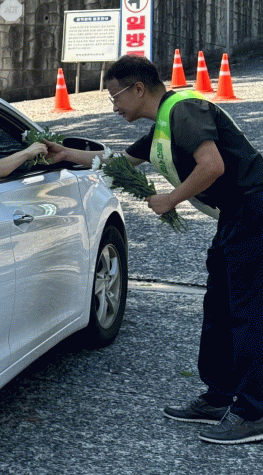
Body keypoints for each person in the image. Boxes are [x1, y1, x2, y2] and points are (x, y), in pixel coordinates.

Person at [45, 54, 263, 445]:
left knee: (246, 311)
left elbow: (211, 165)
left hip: (254, 210)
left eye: (115, 97)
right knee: (219, 304)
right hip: (238, 214)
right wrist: (66, 153)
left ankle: (253, 412)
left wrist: (170, 199)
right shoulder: (163, 123)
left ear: (138, 88)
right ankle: (220, 396)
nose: (113, 106)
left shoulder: (185, 112)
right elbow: (117, 161)